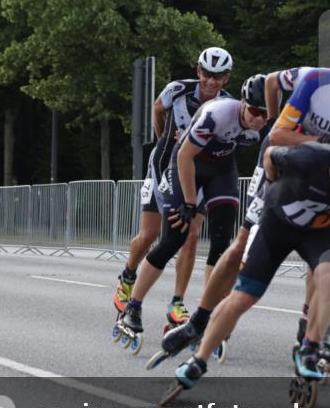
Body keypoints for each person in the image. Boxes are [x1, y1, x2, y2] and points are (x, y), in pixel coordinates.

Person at [162, 32, 330, 364]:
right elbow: (273, 104)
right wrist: (291, 126)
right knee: (241, 247)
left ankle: (318, 329)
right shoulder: (312, 81)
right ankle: (199, 321)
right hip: (287, 164)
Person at [156, 127, 330, 404]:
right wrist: (272, 185)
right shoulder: (310, 158)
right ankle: (198, 360)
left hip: (318, 232)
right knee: (243, 297)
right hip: (277, 226)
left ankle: (310, 348)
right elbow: (269, 155)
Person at [113, 74, 269, 353]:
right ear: (243, 103)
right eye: (255, 111)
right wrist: (187, 202)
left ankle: (205, 314)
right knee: (173, 238)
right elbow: (184, 156)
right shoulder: (218, 113)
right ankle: (132, 307)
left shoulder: (263, 129)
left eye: (265, 114)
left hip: (220, 170)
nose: (258, 119)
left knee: (223, 245)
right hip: (186, 163)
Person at [112, 47, 234, 329]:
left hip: (195, 174)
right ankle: (128, 276)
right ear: (198, 71)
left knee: (191, 235)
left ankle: (177, 303)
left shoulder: (226, 105)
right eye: (206, 74)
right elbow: (157, 109)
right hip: (163, 167)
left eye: (218, 76)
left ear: (226, 78)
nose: (211, 81)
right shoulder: (177, 90)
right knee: (150, 235)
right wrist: (164, 141)